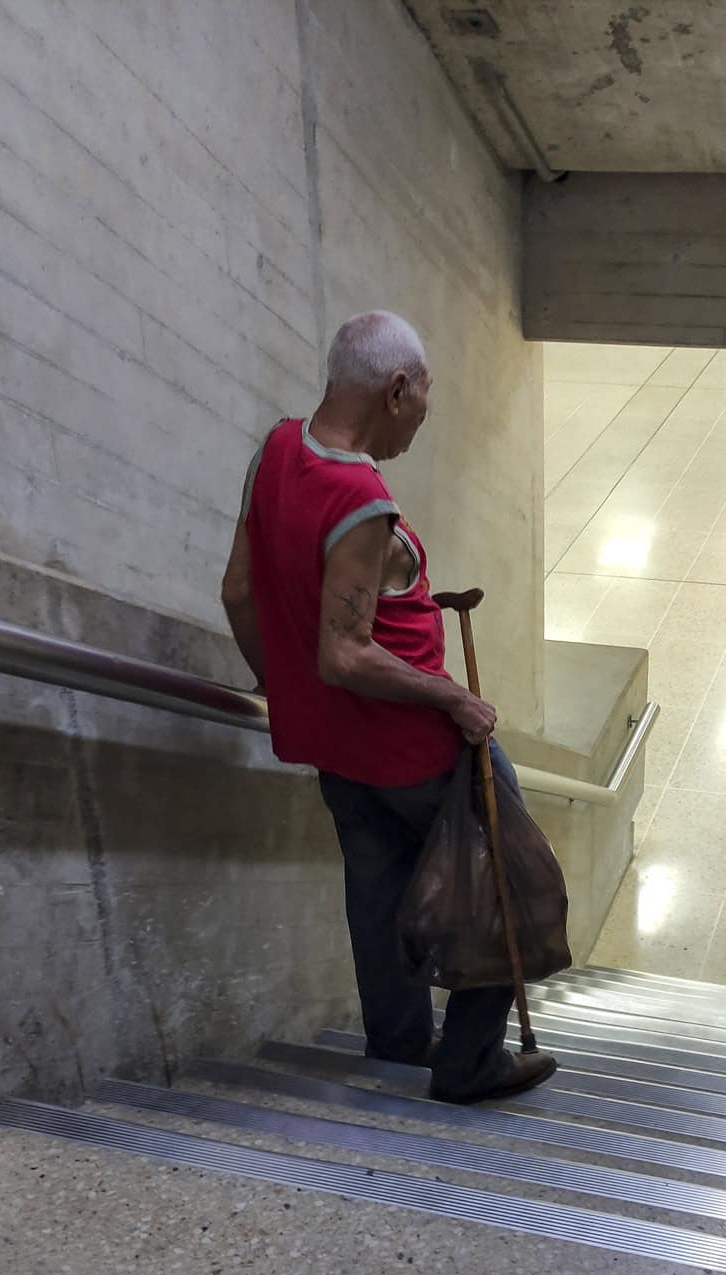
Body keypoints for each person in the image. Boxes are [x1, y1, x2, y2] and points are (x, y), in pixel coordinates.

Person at [220, 310, 558, 1103]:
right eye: (424, 398)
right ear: (396, 389)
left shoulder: (275, 449)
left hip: (334, 751)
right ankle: (470, 1062)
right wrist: (454, 698)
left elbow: (237, 590)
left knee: (377, 896)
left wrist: (279, 686)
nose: (423, 415)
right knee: (508, 884)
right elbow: (346, 652)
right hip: (416, 752)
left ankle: (401, 1044)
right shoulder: (359, 499)